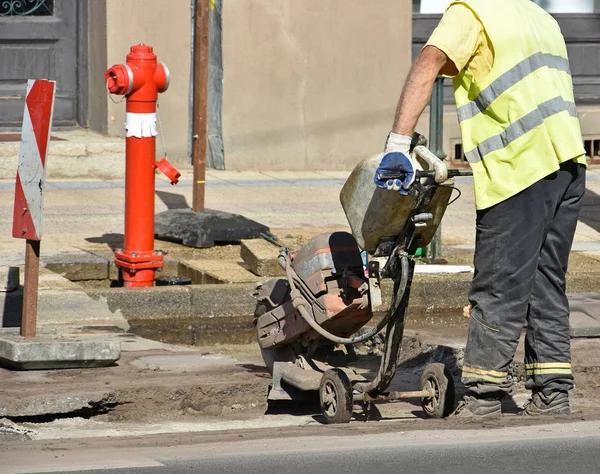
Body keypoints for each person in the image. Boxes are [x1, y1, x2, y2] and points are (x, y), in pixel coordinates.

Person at [374, 0, 587, 418]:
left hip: (520, 167)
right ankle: (552, 393)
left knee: (500, 282)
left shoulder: (472, 12)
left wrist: (398, 143)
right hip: (568, 164)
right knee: (545, 282)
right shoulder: (539, 15)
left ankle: (483, 399)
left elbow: (429, 62)